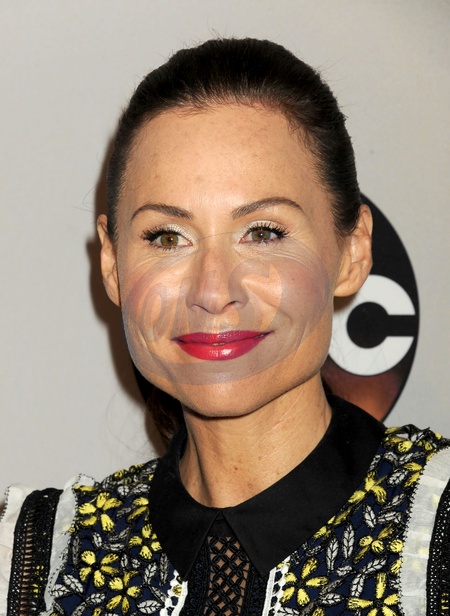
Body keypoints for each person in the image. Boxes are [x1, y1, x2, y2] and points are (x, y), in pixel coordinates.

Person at [1, 38, 449, 616]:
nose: (213, 292)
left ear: (352, 251)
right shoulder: (36, 564)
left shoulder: (435, 531)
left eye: (263, 233)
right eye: (168, 237)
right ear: (112, 264)